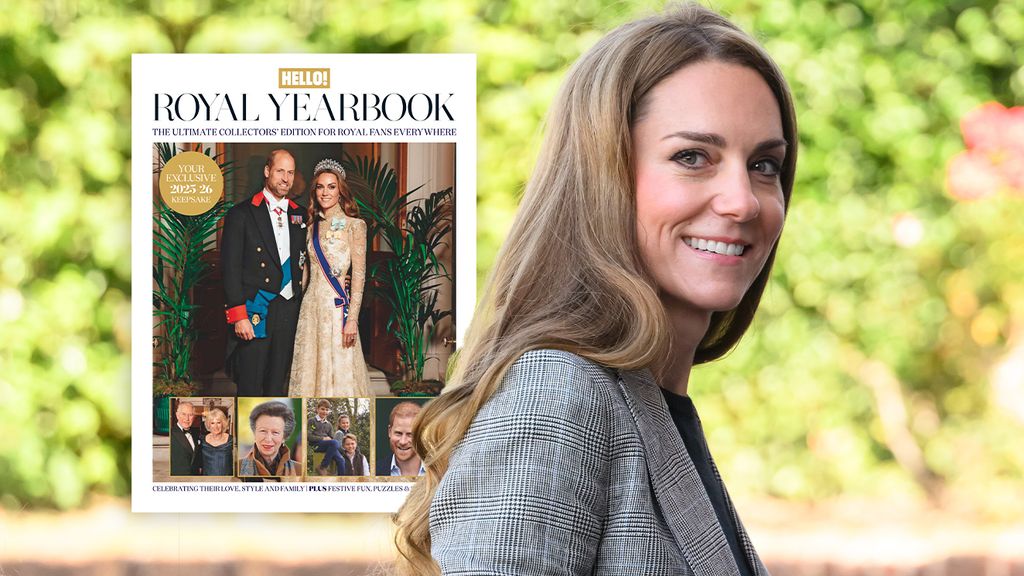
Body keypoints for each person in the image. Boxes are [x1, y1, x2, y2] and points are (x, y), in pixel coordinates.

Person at [394, 5, 798, 575]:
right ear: (601, 175)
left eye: (764, 164)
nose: (744, 200)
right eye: (692, 157)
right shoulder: (558, 396)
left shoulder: (651, 406)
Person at [221, 149, 307, 397]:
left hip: (288, 308)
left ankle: (273, 434)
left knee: (277, 382)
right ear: (267, 171)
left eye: (290, 173)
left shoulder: (300, 214)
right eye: (280, 171)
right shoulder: (241, 214)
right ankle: (247, 436)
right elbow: (230, 269)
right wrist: (239, 315)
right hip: (256, 307)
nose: (286, 178)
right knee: (250, 381)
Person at [288, 158, 371, 397]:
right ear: (315, 191)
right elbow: (305, 273)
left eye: (331, 186)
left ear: (341, 191)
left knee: (340, 372)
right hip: (311, 309)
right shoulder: (310, 225)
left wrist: (352, 318)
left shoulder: (355, 225)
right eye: (320, 186)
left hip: (337, 313)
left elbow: (359, 276)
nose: (325, 192)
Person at [238, 400, 301, 477]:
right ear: (254, 434)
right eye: (263, 431)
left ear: (284, 437)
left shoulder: (300, 471)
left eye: (275, 432)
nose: (268, 439)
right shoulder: (235, 468)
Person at [376, 401, 424, 476]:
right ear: (389, 431)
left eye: (410, 435)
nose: (403, 442)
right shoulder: (373, 471)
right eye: (398, 433)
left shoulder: (440, 473)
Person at [307, 399, 349, 476]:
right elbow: (309, 436)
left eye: (327, 410)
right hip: (316, 445)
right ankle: (322, 466)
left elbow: (331, 437)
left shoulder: (328, 424)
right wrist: (323, 438)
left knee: (341, 460)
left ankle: (341, 480)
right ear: (317, 409)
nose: (324, 412)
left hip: (328, 446)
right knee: (334, 442)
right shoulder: (312, 421)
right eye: (322, 409)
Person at [169, 401, 202, 476]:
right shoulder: (170, 434)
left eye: (190, 415)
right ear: (177, 415)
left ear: (193, 417)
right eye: (183, 414)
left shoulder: (195, 433)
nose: (187, 418)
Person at [200, 407, 233, 476]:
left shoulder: (231, 440)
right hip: (207, 480)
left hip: (227, 481)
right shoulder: (202, 440)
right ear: (208, 424)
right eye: (212, 423)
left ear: (223, 423)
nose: (216, 426)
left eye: (218, 422)